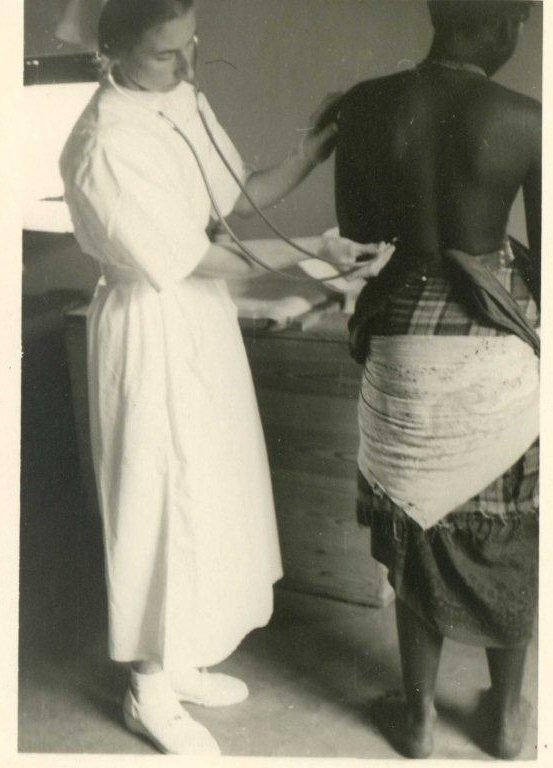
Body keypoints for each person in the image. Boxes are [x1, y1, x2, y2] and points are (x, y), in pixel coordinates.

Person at [59, 0, 392, 756]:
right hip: (148, 330)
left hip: (200, 320)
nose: (186, 65)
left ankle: (178, 660)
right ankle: (146, 687)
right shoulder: (104, 144)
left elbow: (232, 200)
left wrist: (309, 152)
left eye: (192, 45)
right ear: (111, 53)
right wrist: (316, 250)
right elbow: (197, 255)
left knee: (205, 494)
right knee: (156, 501)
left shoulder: (179, 97)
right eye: (165, 53)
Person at [334, 0, 540, 760]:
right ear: (501, 25)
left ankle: (417, 721)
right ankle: (507, 719)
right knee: (509, 532)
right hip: (491, 347)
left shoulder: (366, 105)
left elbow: (359, 230)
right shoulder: (528, 118)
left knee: (416, 523)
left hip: (400, 337)